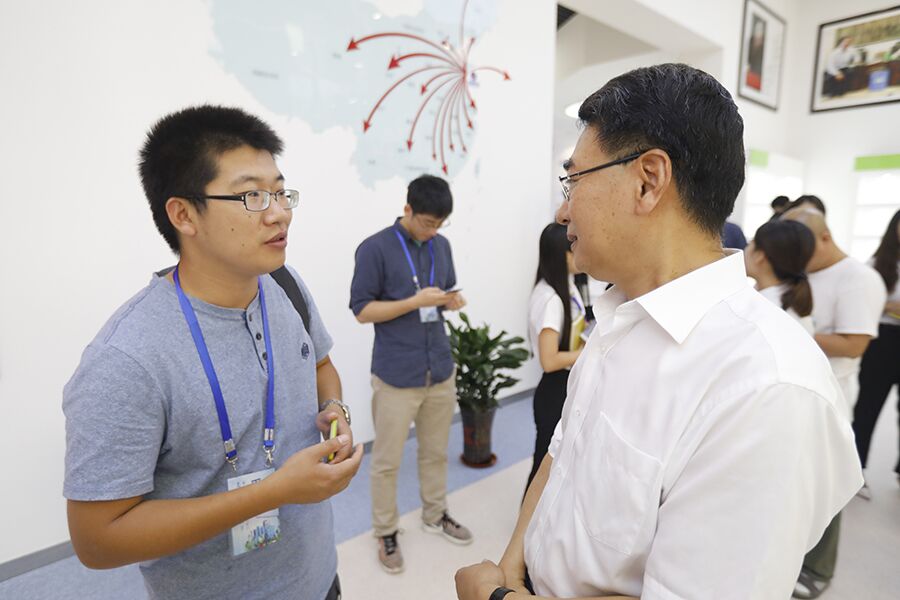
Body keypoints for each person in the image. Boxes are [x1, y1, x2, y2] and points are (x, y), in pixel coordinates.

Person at [455, 63, 861, 600]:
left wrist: (495, 598)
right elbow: (563, 450)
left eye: (573, 181)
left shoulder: (767, 387)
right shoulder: (619, 314)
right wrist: (512, 563)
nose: (562, 210)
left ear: (648, 180)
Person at [63, 105, 363, 600]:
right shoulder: (127, 358)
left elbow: (322, 366)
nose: (279, 212)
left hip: (318, 578)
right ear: (183, 214)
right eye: (251, 196)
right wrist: (272, 492)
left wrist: (335, 410)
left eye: (280, 192)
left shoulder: (283, 284)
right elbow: (97, 541)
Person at [350, 175, 472, 575]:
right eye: (427, 223)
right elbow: (362, 311)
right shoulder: (375, 248)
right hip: (396, 374)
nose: (433, 231)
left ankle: (435, 514)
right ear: (407, 210)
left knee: (436, 452)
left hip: (439, 367)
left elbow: (445, 292)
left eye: (440, 224)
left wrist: (451, 300)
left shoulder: (442, 245)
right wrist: (414, 302)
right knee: (386, 461)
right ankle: (386, 531)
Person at [782, 206, 887, 599]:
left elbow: (854, 343)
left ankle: (818, 568)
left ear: (825, 237)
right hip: (795, 387)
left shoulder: (859, 279)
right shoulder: (803, 270)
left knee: (826, 478)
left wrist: (788, 331)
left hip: (832, 393)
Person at [526, 223, 585, 489]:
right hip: (554, 388)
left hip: (565, 383)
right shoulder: (550, 298)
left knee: (558, 465)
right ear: (561, 254)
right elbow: (549, 361)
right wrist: (583, 353)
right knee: (544, 467)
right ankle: (526, 516)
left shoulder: (567, 283)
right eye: (574, 245)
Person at [852, 209, 900, 494]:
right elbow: (865, 302)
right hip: (883, 341)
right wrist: (891, 307)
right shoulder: (877, 264)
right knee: (868, 406)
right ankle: (856, 469)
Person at [744, 219, 816, 334]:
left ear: (759, 256)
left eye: (750, 243)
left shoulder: (762, 309)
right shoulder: (792, 299)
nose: (744, 250)